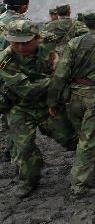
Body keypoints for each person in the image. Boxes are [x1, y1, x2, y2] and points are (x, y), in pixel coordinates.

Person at [47, 10, 95, 197]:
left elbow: (61, 73)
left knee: (87, 136)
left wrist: (53, 100)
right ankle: (78, 185)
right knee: (89, 139)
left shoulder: (74, 43)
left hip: (74, 96)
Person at [0, 20, 77, 198]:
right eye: (14, 42)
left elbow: (58, 41)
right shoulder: (5, 60)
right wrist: (58, 77)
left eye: (25, 41)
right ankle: (29, 180)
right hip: (20, 107)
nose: (19, 46)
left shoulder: (47, 43)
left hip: (48, 104)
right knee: (23, 147)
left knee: (69, 139)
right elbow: (26, 90)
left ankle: (89, 163)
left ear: (37, 38)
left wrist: (56, 57)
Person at [0, 0, 30, 163]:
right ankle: (15, 152)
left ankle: (6, 148)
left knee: (4, 111)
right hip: (16, 76)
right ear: (24, 7)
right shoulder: (23, 23)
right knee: (18, 114)